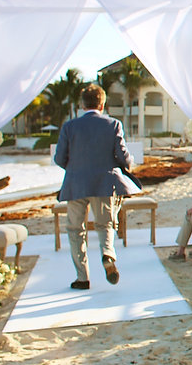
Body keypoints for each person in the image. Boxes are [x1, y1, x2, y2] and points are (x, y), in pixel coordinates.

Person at [54, 83, 135, 290]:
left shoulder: (69, 126)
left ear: (82, 104)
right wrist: (128, 163)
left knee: (75, 230)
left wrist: (75, 169)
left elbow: (59, 158)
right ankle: (108, 254)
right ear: (102, 103)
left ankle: (82, 278)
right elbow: (122, 156)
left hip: (75, 183)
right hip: (104, 183)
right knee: (105, 224)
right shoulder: (113, 124)